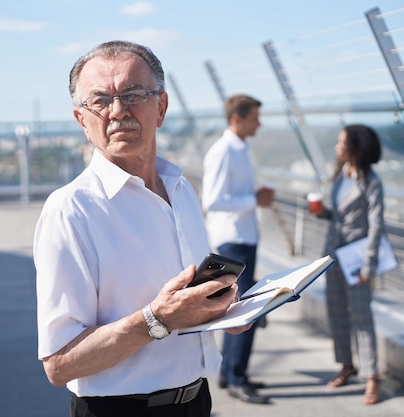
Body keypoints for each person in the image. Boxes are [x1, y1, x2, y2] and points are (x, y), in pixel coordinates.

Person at [34, 40, 251, 417]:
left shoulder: (181, 189)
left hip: (198, 402)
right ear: (82, 121)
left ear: (161, 107)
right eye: (99, 101)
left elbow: (185, 308)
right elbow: (59, 363)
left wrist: (221, 307)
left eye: (134, 94)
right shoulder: (70, 211)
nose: (118, 111)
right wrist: (159, 319)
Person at [201, 94, 275, 404]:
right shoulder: (223, 152)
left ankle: (231, 372)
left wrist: (252, 197)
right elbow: (212, 201)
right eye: (255, 116)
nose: (259, 122)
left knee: (240, 309)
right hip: (233, 240)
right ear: (237, 118)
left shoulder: (239, 149)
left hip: (244, 238)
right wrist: (253, 201)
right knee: (245, 313)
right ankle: (236, 378)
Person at [314, 124, 384, 405]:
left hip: (357, 259)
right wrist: (322, 213)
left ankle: (372, 377)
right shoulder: (340, 175)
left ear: (356, 146)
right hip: (333, 255)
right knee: (336, 312)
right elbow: (340, 217)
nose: (337, 146)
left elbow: (377, 225)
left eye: (341, 142)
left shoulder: (371, 181)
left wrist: (369, 265)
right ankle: (346, 364)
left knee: (361, 317)